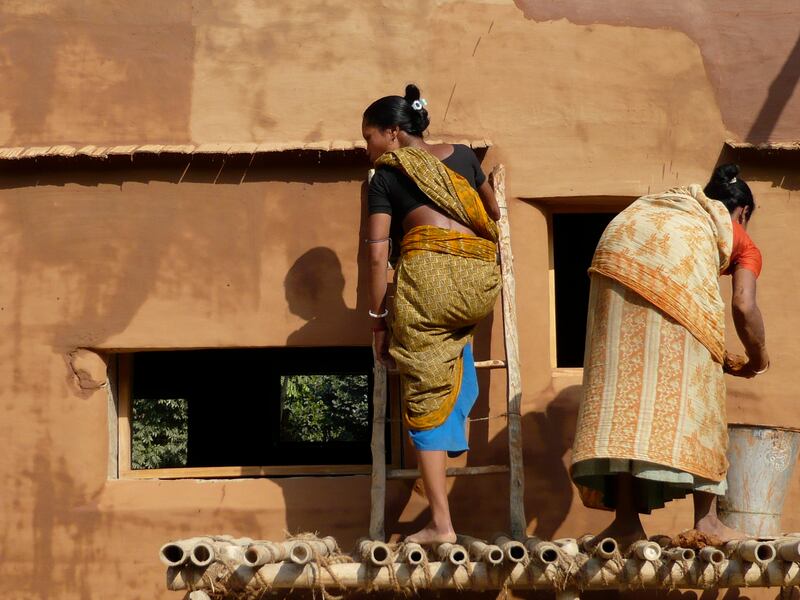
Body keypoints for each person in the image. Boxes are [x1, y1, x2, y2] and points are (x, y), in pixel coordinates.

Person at [570, 163, 768, 548]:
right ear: (741, 212)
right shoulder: (738, 235)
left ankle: (626, 522)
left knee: (626, 399)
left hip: (615, 250)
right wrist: (757, 358)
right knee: (703, 392)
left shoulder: (671, 204)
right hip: (653, 260)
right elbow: (744, 307)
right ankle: (707, 521)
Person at [362, 84, 501, 544]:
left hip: (431, 286)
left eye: (370, 138)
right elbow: (494, 211)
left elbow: (376, 253)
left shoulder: (384, 176)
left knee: (421, 395)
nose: (368, 149)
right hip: (481, 283)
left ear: (393, 132)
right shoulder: (463, 155)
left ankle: (442, 524)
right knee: (446, 352)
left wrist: (379, 319)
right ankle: (452, 423)